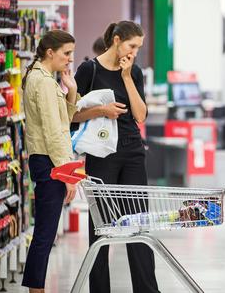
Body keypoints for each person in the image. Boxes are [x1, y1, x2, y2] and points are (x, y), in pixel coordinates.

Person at [72, 21, 159, 293]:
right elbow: (71, 114)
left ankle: (147, 289)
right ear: (117, 40)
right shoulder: (90, 69)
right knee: (101, 228)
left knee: (138, 225)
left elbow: (141, 115)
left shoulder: (135, 72)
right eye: (132, 45)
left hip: (133, 151)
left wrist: (127, 77)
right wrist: (101, 110)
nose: (135, 51)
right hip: (102, 154)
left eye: (138, 48)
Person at [21, 30, 79, 293]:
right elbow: (54, 132)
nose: (69, 59)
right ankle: (36, 290)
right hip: (50, 163)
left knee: (46, 230)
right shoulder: (42, 81)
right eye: (66, 53)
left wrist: (71, 92)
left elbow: (62, 121)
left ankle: (36, 288)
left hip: (47, 160)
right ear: (50, 52)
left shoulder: (44, 78)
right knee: (45, 232)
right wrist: (68, 175)